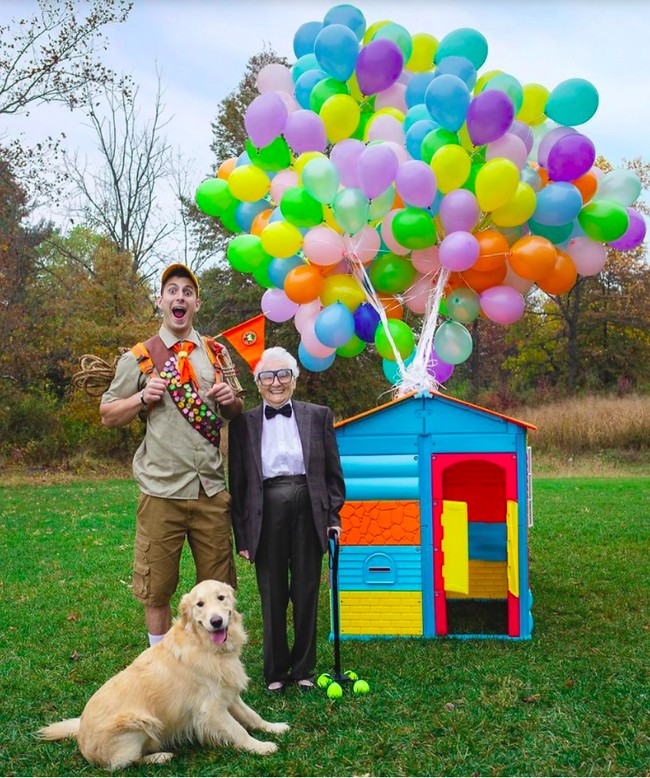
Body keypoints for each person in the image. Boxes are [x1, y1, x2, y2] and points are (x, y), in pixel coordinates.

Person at [99, 263, 244, 647]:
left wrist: (230, 400)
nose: (180, 297)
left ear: (196, 303)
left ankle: (216, 670)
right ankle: (161, 670)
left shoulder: (215, 353)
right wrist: (139, 398)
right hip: (161, 490)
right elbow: (107, 413)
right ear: (161, 301)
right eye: (172, 291)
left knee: (219, 589)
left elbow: (236, 408)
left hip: (210, 490)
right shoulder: (140, 356)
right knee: (157, 589)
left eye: (187, 292)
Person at [228, 346, 345, 693]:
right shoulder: (243, 423)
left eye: (283, 375)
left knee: (307, 588)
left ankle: (304, 668)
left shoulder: (318, 415)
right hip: (266, 509)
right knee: (272, 592)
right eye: (268, 376)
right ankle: (276, 671)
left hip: (310, 506)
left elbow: (332, 473)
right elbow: (239, 482)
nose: (275, 382)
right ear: (257, 382)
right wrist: (244, 537)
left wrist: (332, 515)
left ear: (294, 379)